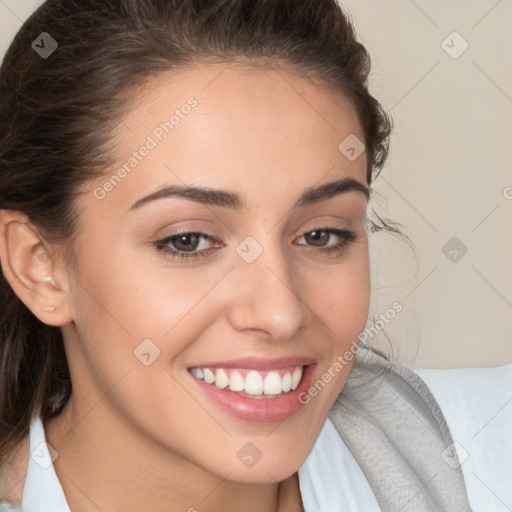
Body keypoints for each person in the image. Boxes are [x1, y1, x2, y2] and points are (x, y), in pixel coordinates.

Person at [0, 1, 510, 511]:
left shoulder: (487, 451)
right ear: (39, 265)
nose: (280, 313)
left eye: (321, 235)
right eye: (188, 241)